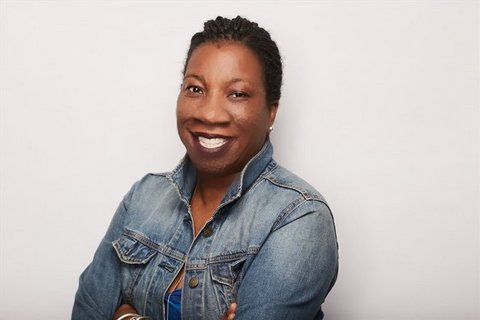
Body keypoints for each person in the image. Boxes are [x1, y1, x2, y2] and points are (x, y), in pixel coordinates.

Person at [72, 16, 338, 320]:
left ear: (271, 112)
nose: (210, 114)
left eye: (237, 94)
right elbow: (85, 313)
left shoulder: (299, 217)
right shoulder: (143, 197)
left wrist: (126, 316)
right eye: (196, 89)